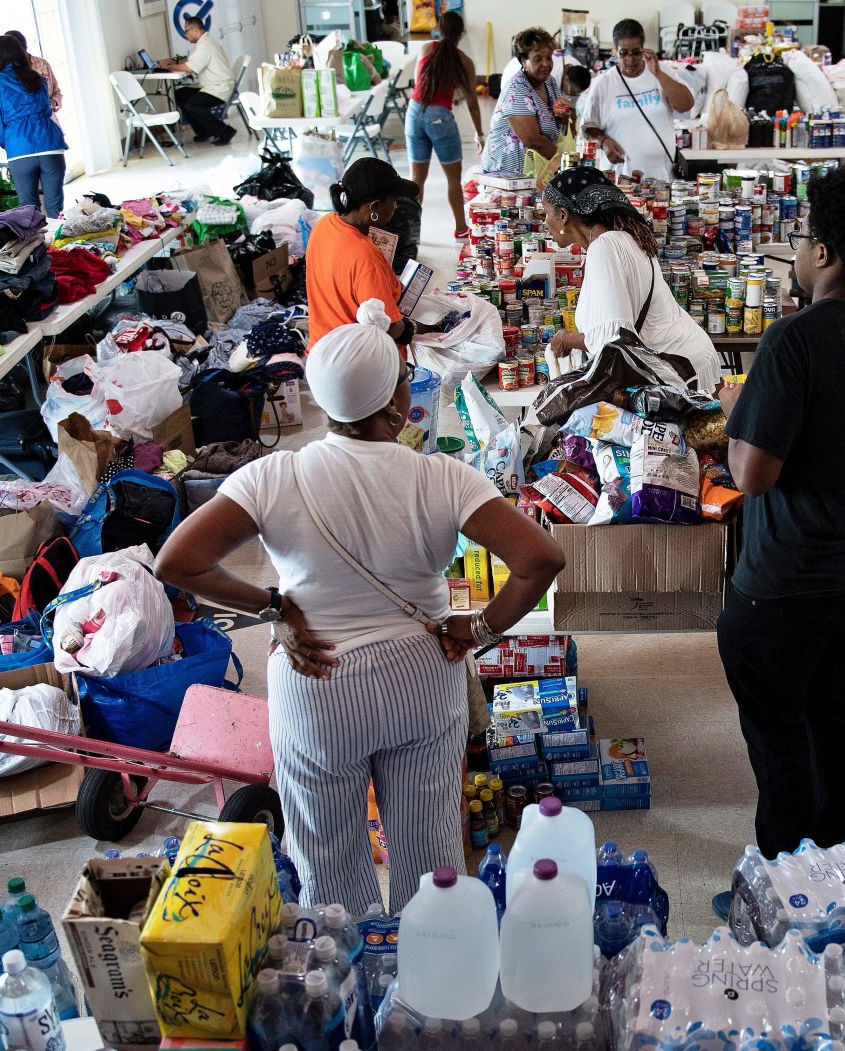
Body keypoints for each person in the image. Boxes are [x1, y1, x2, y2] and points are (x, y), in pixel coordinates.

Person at [155, 302, 564, 913]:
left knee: (327, 864)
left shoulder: (272, 477)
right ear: (395, 403)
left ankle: (351, 982)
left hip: (318, 679)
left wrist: (275, 606)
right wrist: (478, 627)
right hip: (422, 675)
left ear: (323, 401)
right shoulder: (442, 478)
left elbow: (177, 563)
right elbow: (540, 559)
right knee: (432, 860)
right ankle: (431, 978)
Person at [711, 168, 845, 894]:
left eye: (804, 241)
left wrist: (734, 412)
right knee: (829, 701)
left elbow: (752, 476)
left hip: (784, 574)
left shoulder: (792, 340)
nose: (799, 253)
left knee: (775, 724)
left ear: (826, 252)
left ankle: (786, 887)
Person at [540, 167, 720, 391]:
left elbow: (613, 340)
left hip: (677, 366)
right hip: (686, 355)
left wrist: (566, 340)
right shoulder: (622, 238)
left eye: (546, 213)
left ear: (564, 215)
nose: (544, 222)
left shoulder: (604, 248)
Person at [305, 158, 419, 350]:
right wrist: (416, 328)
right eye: (394, 200)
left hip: (321, 351)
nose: (396, 207)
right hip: (357, 362)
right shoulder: (366, 258)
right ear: (374, 207)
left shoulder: (324, 225)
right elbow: (389, 327)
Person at [581, 19, 694, 182]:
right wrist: (604, 141)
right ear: (615, 51)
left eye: (636, 52)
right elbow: (587, 127)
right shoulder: (604, 84)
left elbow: (686, 105)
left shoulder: (663, 71)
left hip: (662, 179)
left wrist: (658, 74)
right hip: (620, 180)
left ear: (644, 49)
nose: (630, 59)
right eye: (623, 53)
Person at [408, 12, 485, 240]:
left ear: (438, 30)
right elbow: (472, 102)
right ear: (462, 33)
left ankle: (412, 232)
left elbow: (418, 84)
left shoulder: (425, 49)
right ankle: (461, 228)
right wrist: (479, 133)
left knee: (416, 179)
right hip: (440, 117)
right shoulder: (464, 61)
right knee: (453, 178)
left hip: (414, 112)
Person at [0, 35, 67, 219]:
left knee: (28, 209)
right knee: (55, 208)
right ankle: (61, 246)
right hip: (50, 144)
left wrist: (10, 144)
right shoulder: (37, 78)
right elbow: (47, 110)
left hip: (20, 149)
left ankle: (37, 248)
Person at [482, 28, 562, 178]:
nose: (546, 64)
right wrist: (564, 164)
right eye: (538, 59)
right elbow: (532, 140)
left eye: (549, 58)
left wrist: (566, 114)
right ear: (523, 61)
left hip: (536, 170)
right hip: (507, 174)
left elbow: (562, 115)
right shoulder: (517, 89)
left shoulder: (550, 83)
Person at [161, 16, 238, 146]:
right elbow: (192, 61)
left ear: (195, 29)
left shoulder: (205, 45)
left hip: (219, 88)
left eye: (186, 31)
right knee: (181, 94)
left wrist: (169, 67)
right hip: (213, 86)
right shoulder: (205, 42)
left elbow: (190, 67)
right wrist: (173, 62)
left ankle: (225, 131)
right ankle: (204, 131)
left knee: (192, 104)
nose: (186, 35)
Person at [3, 31, 60, 113]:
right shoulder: (8, 74)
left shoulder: (42, 64)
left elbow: (56, 92)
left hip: (49, 120)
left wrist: (52, 103)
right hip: (26, 123)